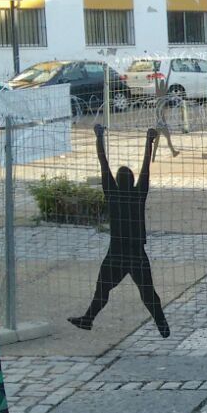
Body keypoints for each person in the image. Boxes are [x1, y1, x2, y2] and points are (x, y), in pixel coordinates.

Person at [70, 125, 170, 337]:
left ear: (116, 181)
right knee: (147, 292)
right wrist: (148, 141)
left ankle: (88, 319)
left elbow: (103, 162)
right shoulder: (139, 195)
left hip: (116, 253)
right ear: (133, 181)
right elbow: (145, 167)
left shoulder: (112, 195)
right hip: (136, 253)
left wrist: (99, 136)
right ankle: (161, 323)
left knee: (102, 289)